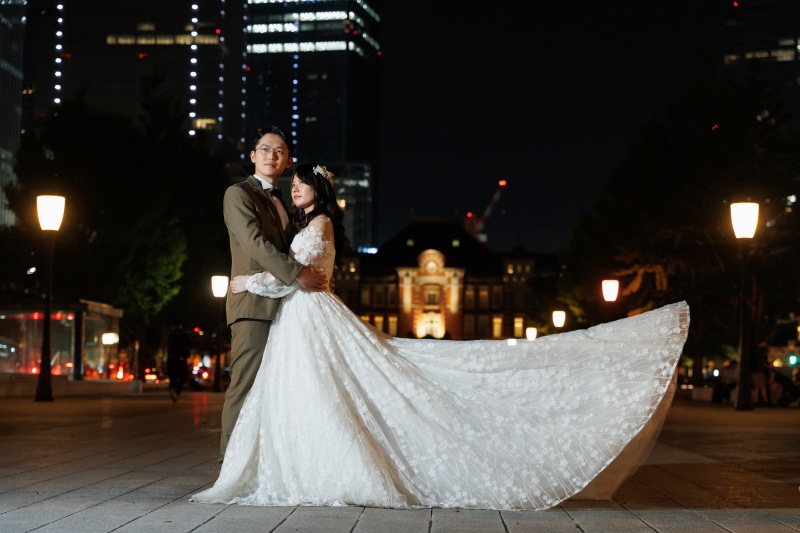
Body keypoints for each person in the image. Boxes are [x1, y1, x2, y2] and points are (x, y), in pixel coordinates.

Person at [191, 163, 691, 511]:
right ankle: (301, 461)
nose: (294, 188)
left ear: (317, 191)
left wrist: (241, 281)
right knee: (320, 394)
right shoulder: (314, 223)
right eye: (293, 183)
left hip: (308, 316)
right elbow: (295, 275)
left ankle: (313, 466)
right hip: (305, 320)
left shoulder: (317, 225)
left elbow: (291, 277)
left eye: (300, 183)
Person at [219, 127, 328, 463]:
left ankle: (263, 464)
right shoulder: (238, 194)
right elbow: (255, 244)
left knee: (275, 390)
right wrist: (297, 274)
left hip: (285, 308)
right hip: (252, 306)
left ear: (288, 160)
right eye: (264, 149)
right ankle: (230, 466)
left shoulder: (286, 203)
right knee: (246, 386)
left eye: (279, 151)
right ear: (253, 156)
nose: (271, 156)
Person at [166, 318, 191, 402]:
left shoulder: (170, 335)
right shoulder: (184, 335)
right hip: (181, 359)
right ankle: (176, 390)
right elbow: (190, 343)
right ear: (181, 326)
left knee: (172, 377)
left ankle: (172, 389)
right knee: (184, 376)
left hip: (171, 359)